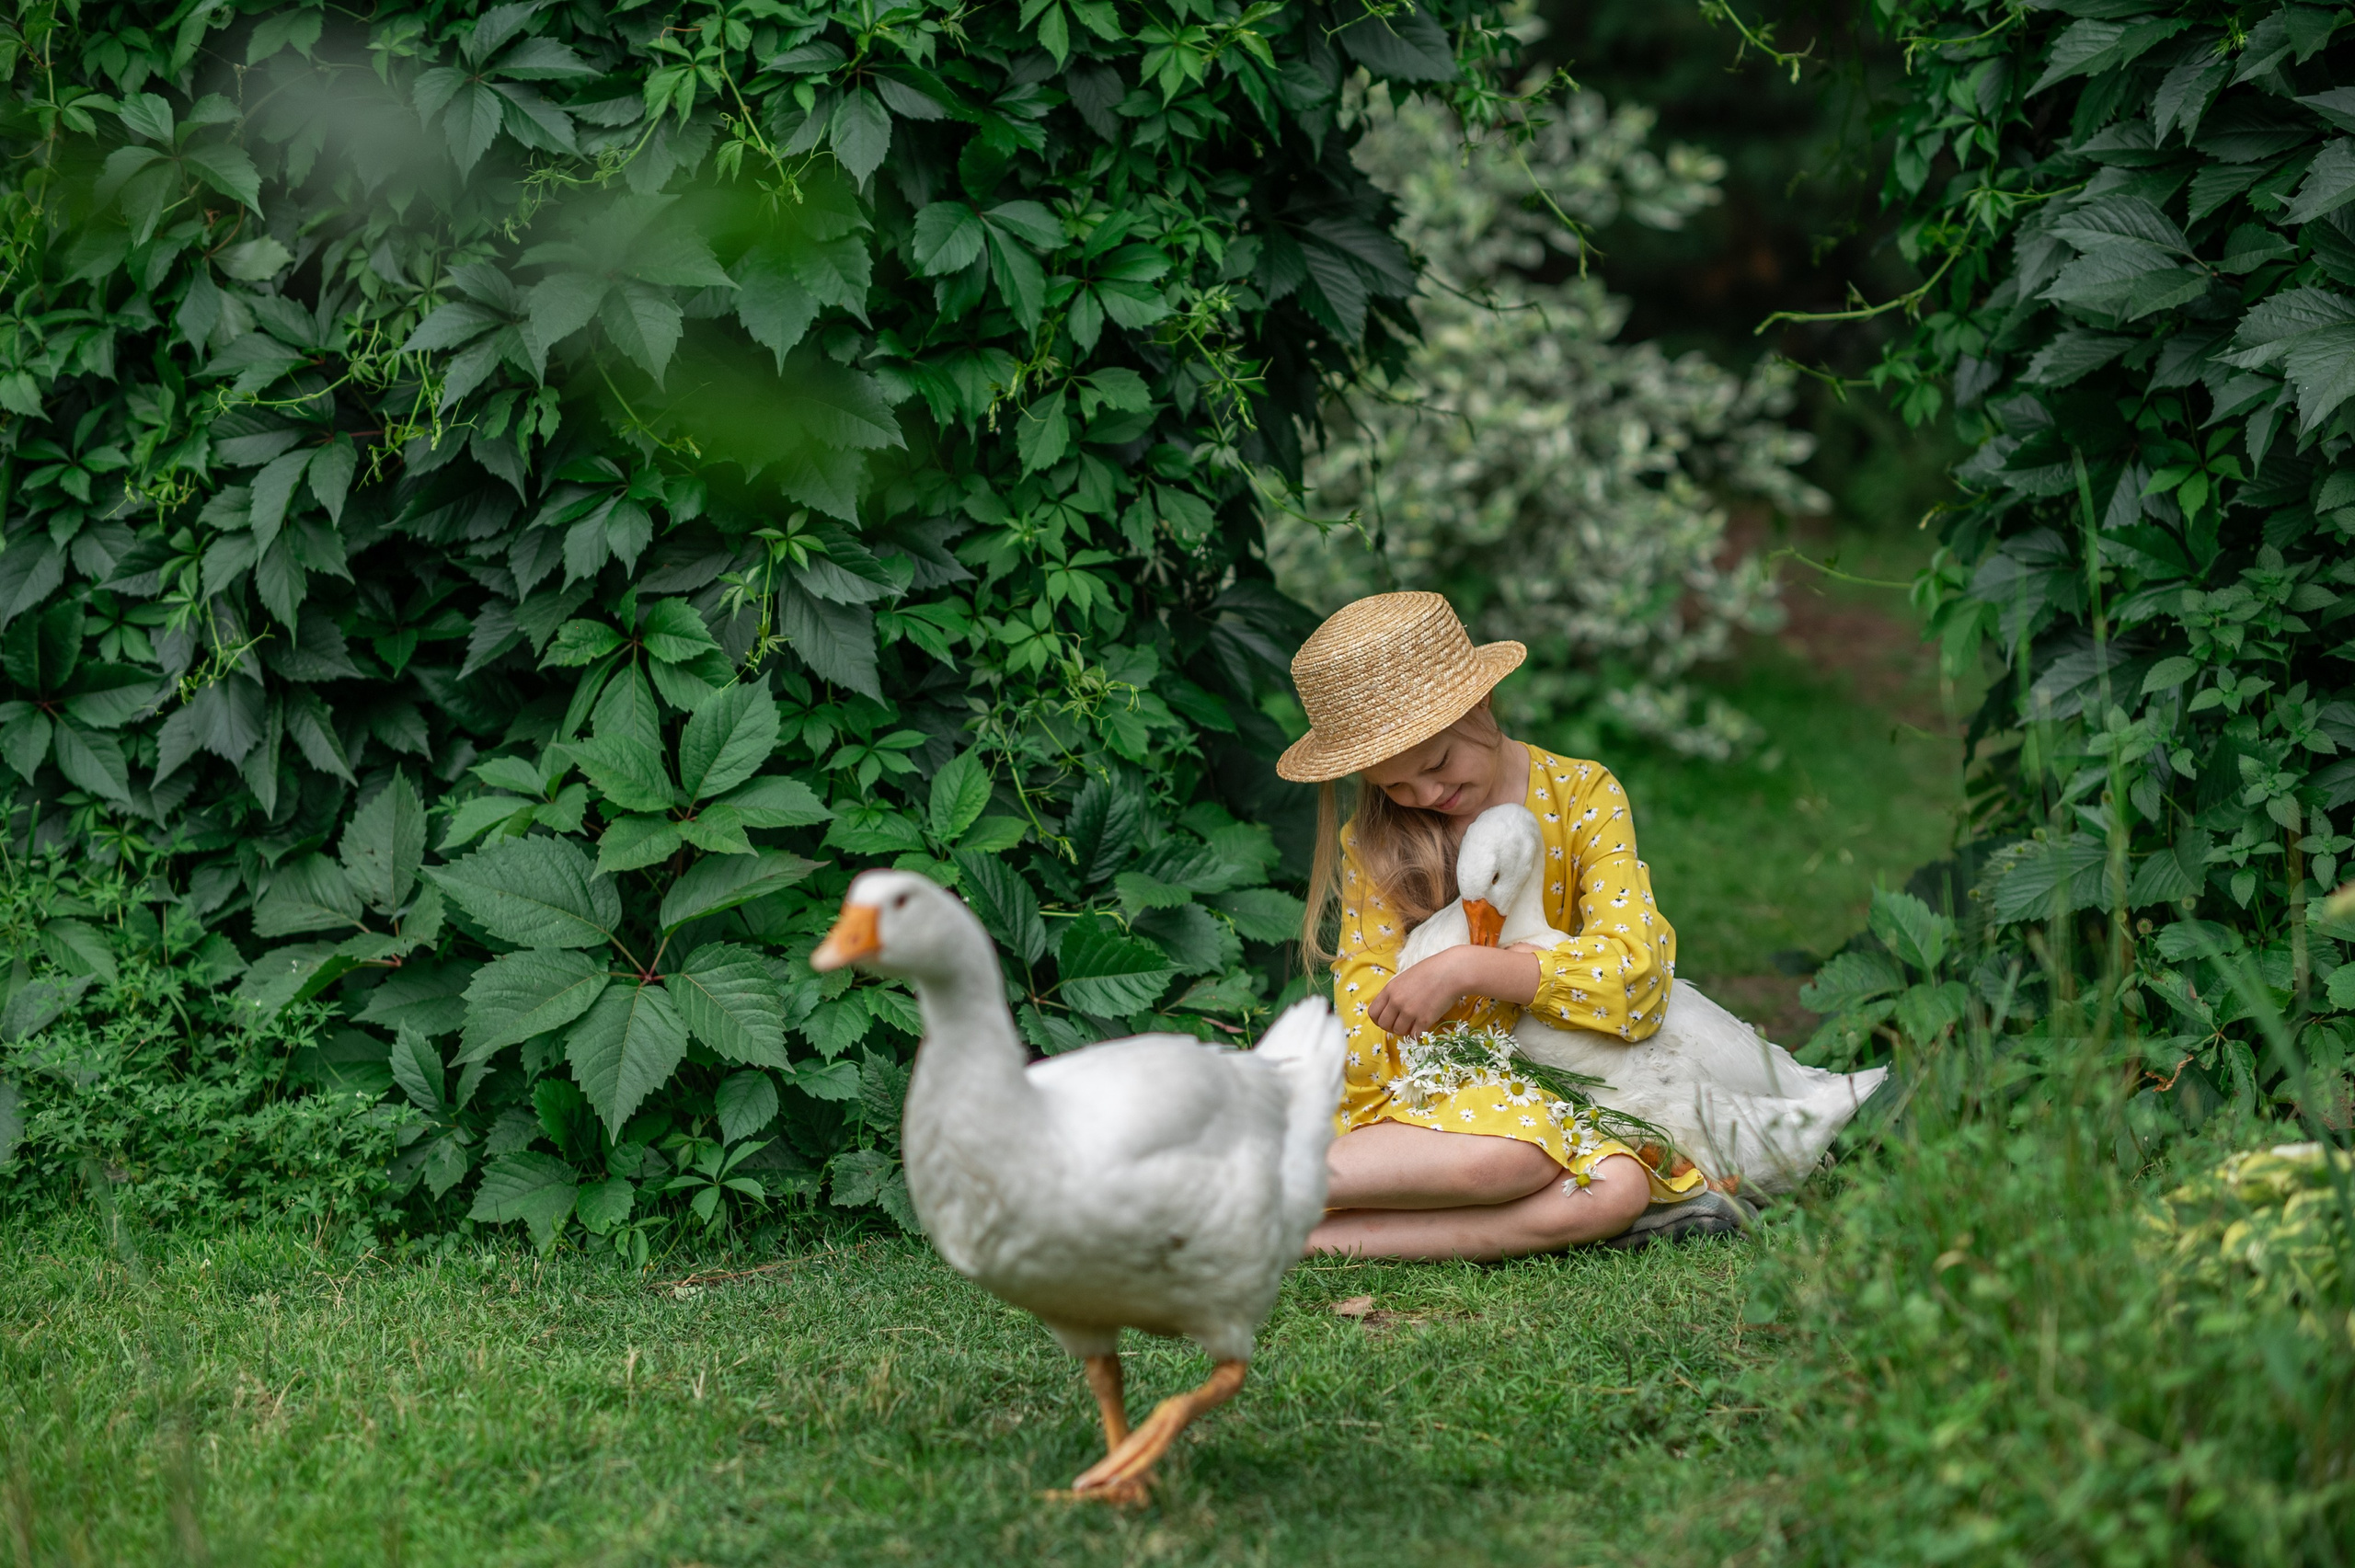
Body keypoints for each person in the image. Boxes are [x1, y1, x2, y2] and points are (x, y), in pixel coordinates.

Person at [1278, 591, 1747, 1259]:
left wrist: (1472, 967)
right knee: (1508, 1158)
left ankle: (1300, 1236)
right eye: (1394, 786)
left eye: (1436, 765)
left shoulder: (1581, 795)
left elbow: (1635, 975)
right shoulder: (1377, 841)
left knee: (1616, 1189)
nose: (1423, 798)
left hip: (1565, 1090)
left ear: (1481, 706)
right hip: (1431, 1091)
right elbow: (1367, 1011)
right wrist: (1405, 1100)